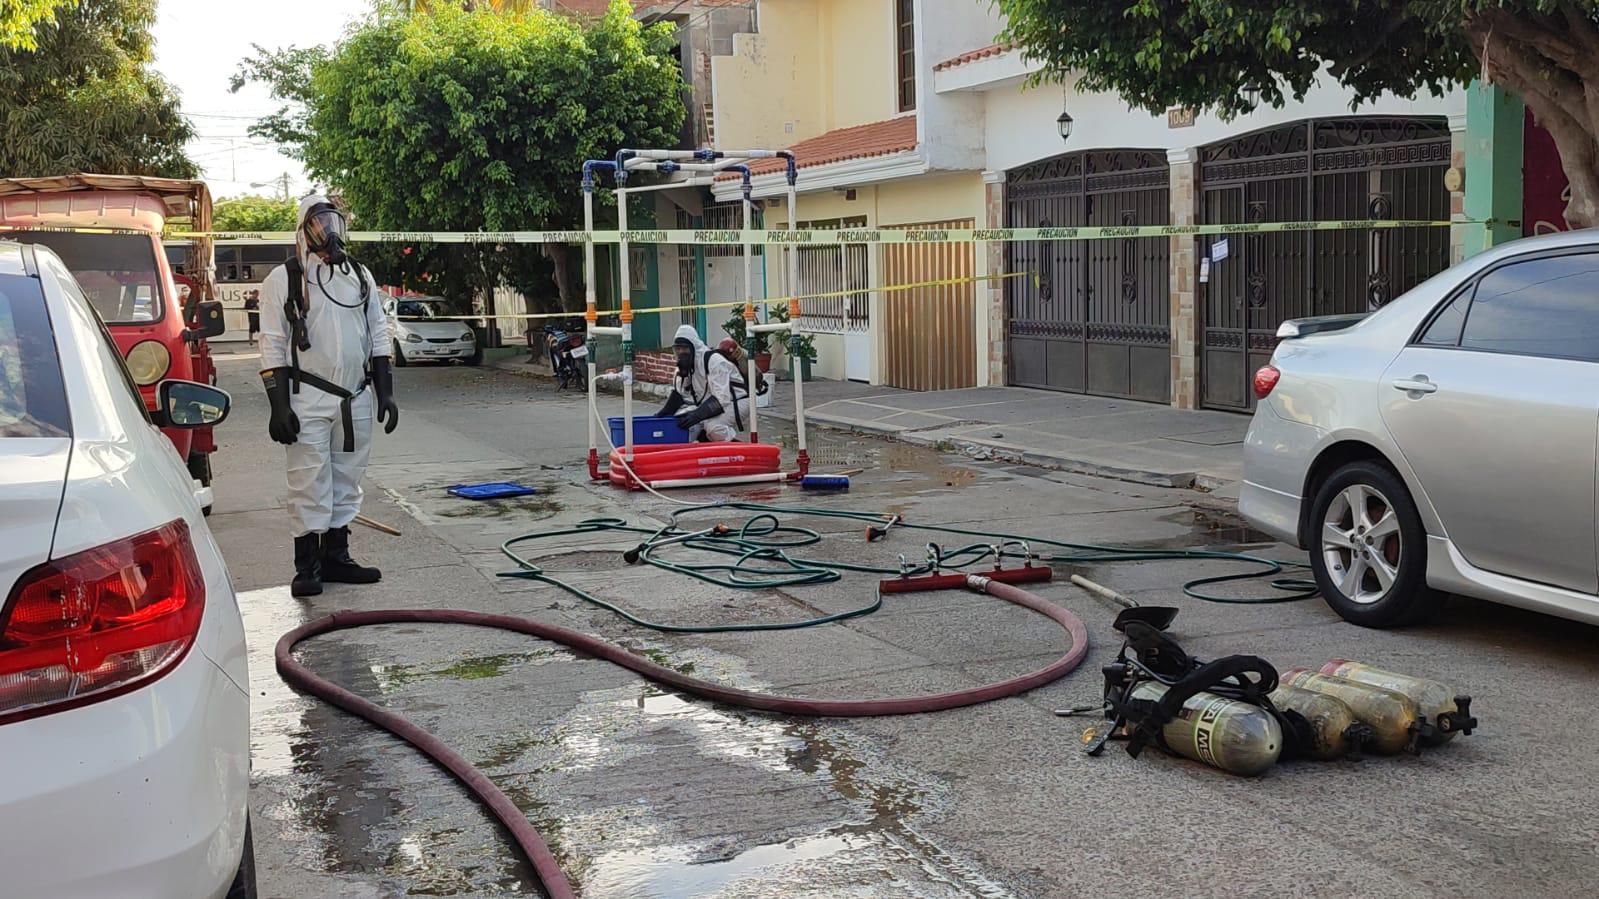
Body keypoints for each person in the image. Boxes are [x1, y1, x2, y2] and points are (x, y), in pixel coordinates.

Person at [258, 195, 399, 597]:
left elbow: (377, 332)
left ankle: (337, 557)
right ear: (304, 231)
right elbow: (272, 344)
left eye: (332, 222)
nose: (328, 232)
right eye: (319, 224)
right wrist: (279, 405)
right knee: (308, 478)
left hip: (354, 396)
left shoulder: (359, 276)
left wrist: (385, 391)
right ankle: (307, 565)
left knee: (347, 477)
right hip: (309, 397)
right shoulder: (284, 280)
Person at [656, 324, 750, 442]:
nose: (681, 352)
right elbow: (680, 394)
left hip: (738, 401)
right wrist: (660, 416)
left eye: (684, 348)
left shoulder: (714, 361)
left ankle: (739, 450)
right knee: (682, 422)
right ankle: (709, 447)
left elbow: (722, 398)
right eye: (678, 349)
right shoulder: (684, 366)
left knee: (713, 427)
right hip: (712, 401)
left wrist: (697, 415)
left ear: (693, 347)